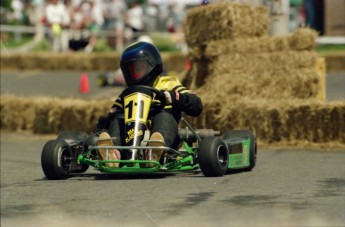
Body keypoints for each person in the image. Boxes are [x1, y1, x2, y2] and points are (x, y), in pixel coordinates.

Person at [96, 41, 203, 167]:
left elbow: (197, 105)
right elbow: (112, 115)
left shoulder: (168, 84)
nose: (134, 73)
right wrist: (104, 126)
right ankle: (113, 153)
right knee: (119, 119)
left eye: (138, 68)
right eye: (130, 70)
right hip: (131, 137)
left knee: (163, 116)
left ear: (152, 65)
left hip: (165, 136)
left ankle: (154, 150)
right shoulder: (127, 93)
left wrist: (172, 97)